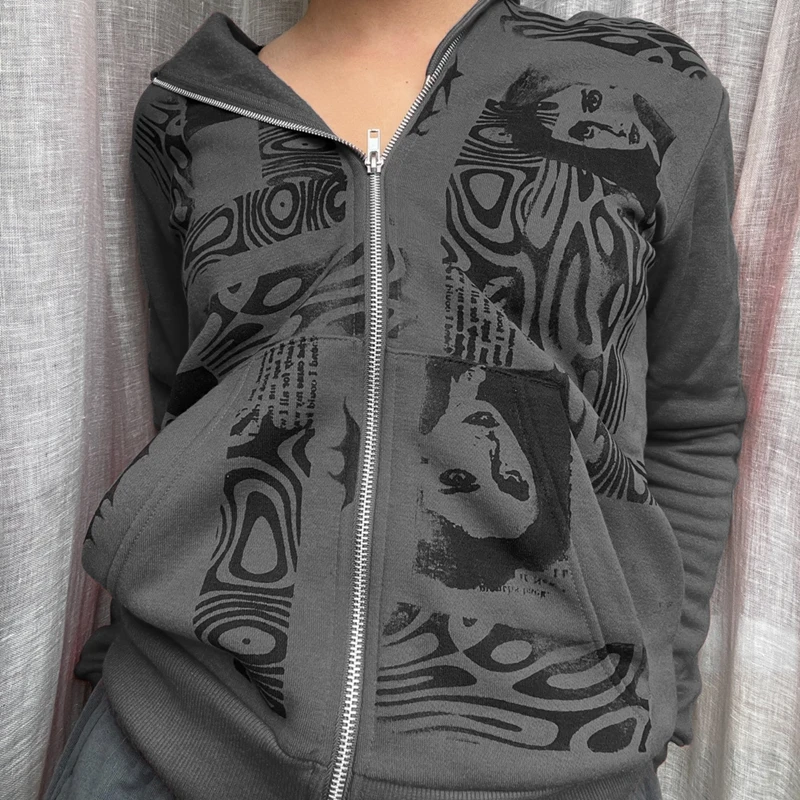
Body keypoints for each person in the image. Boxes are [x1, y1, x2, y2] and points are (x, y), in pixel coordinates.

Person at [48, 1, 747, 798]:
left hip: (550, 754)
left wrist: (658, 684)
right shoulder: (189, 110)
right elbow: (187, 399)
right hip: (169, 730)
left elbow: (695, 416)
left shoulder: (646, 86)